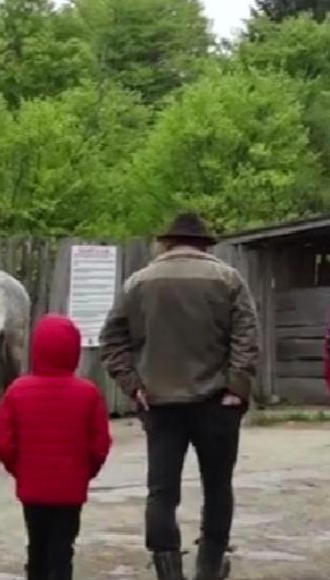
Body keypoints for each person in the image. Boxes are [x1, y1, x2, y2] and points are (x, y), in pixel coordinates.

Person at [99, 212, 260, 580]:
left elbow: (112, 340)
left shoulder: (138, 282)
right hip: (217, 402)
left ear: (167, 243)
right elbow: (246, 338)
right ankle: (209, 566)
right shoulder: (227, 278)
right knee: (218, 486)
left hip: (159, 402)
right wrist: (236, 387)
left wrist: (133, 385)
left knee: (162, 490)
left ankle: (167, 569)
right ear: (204, 244)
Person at [0, 314, 112, 580]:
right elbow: (99, 444)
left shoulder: (17, 391)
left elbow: (5, 442)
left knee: (37, 546)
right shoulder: (88, 393)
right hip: (70, 490)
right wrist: (85, 472)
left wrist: (20, 470)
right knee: (62, 550)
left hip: (32, 488)